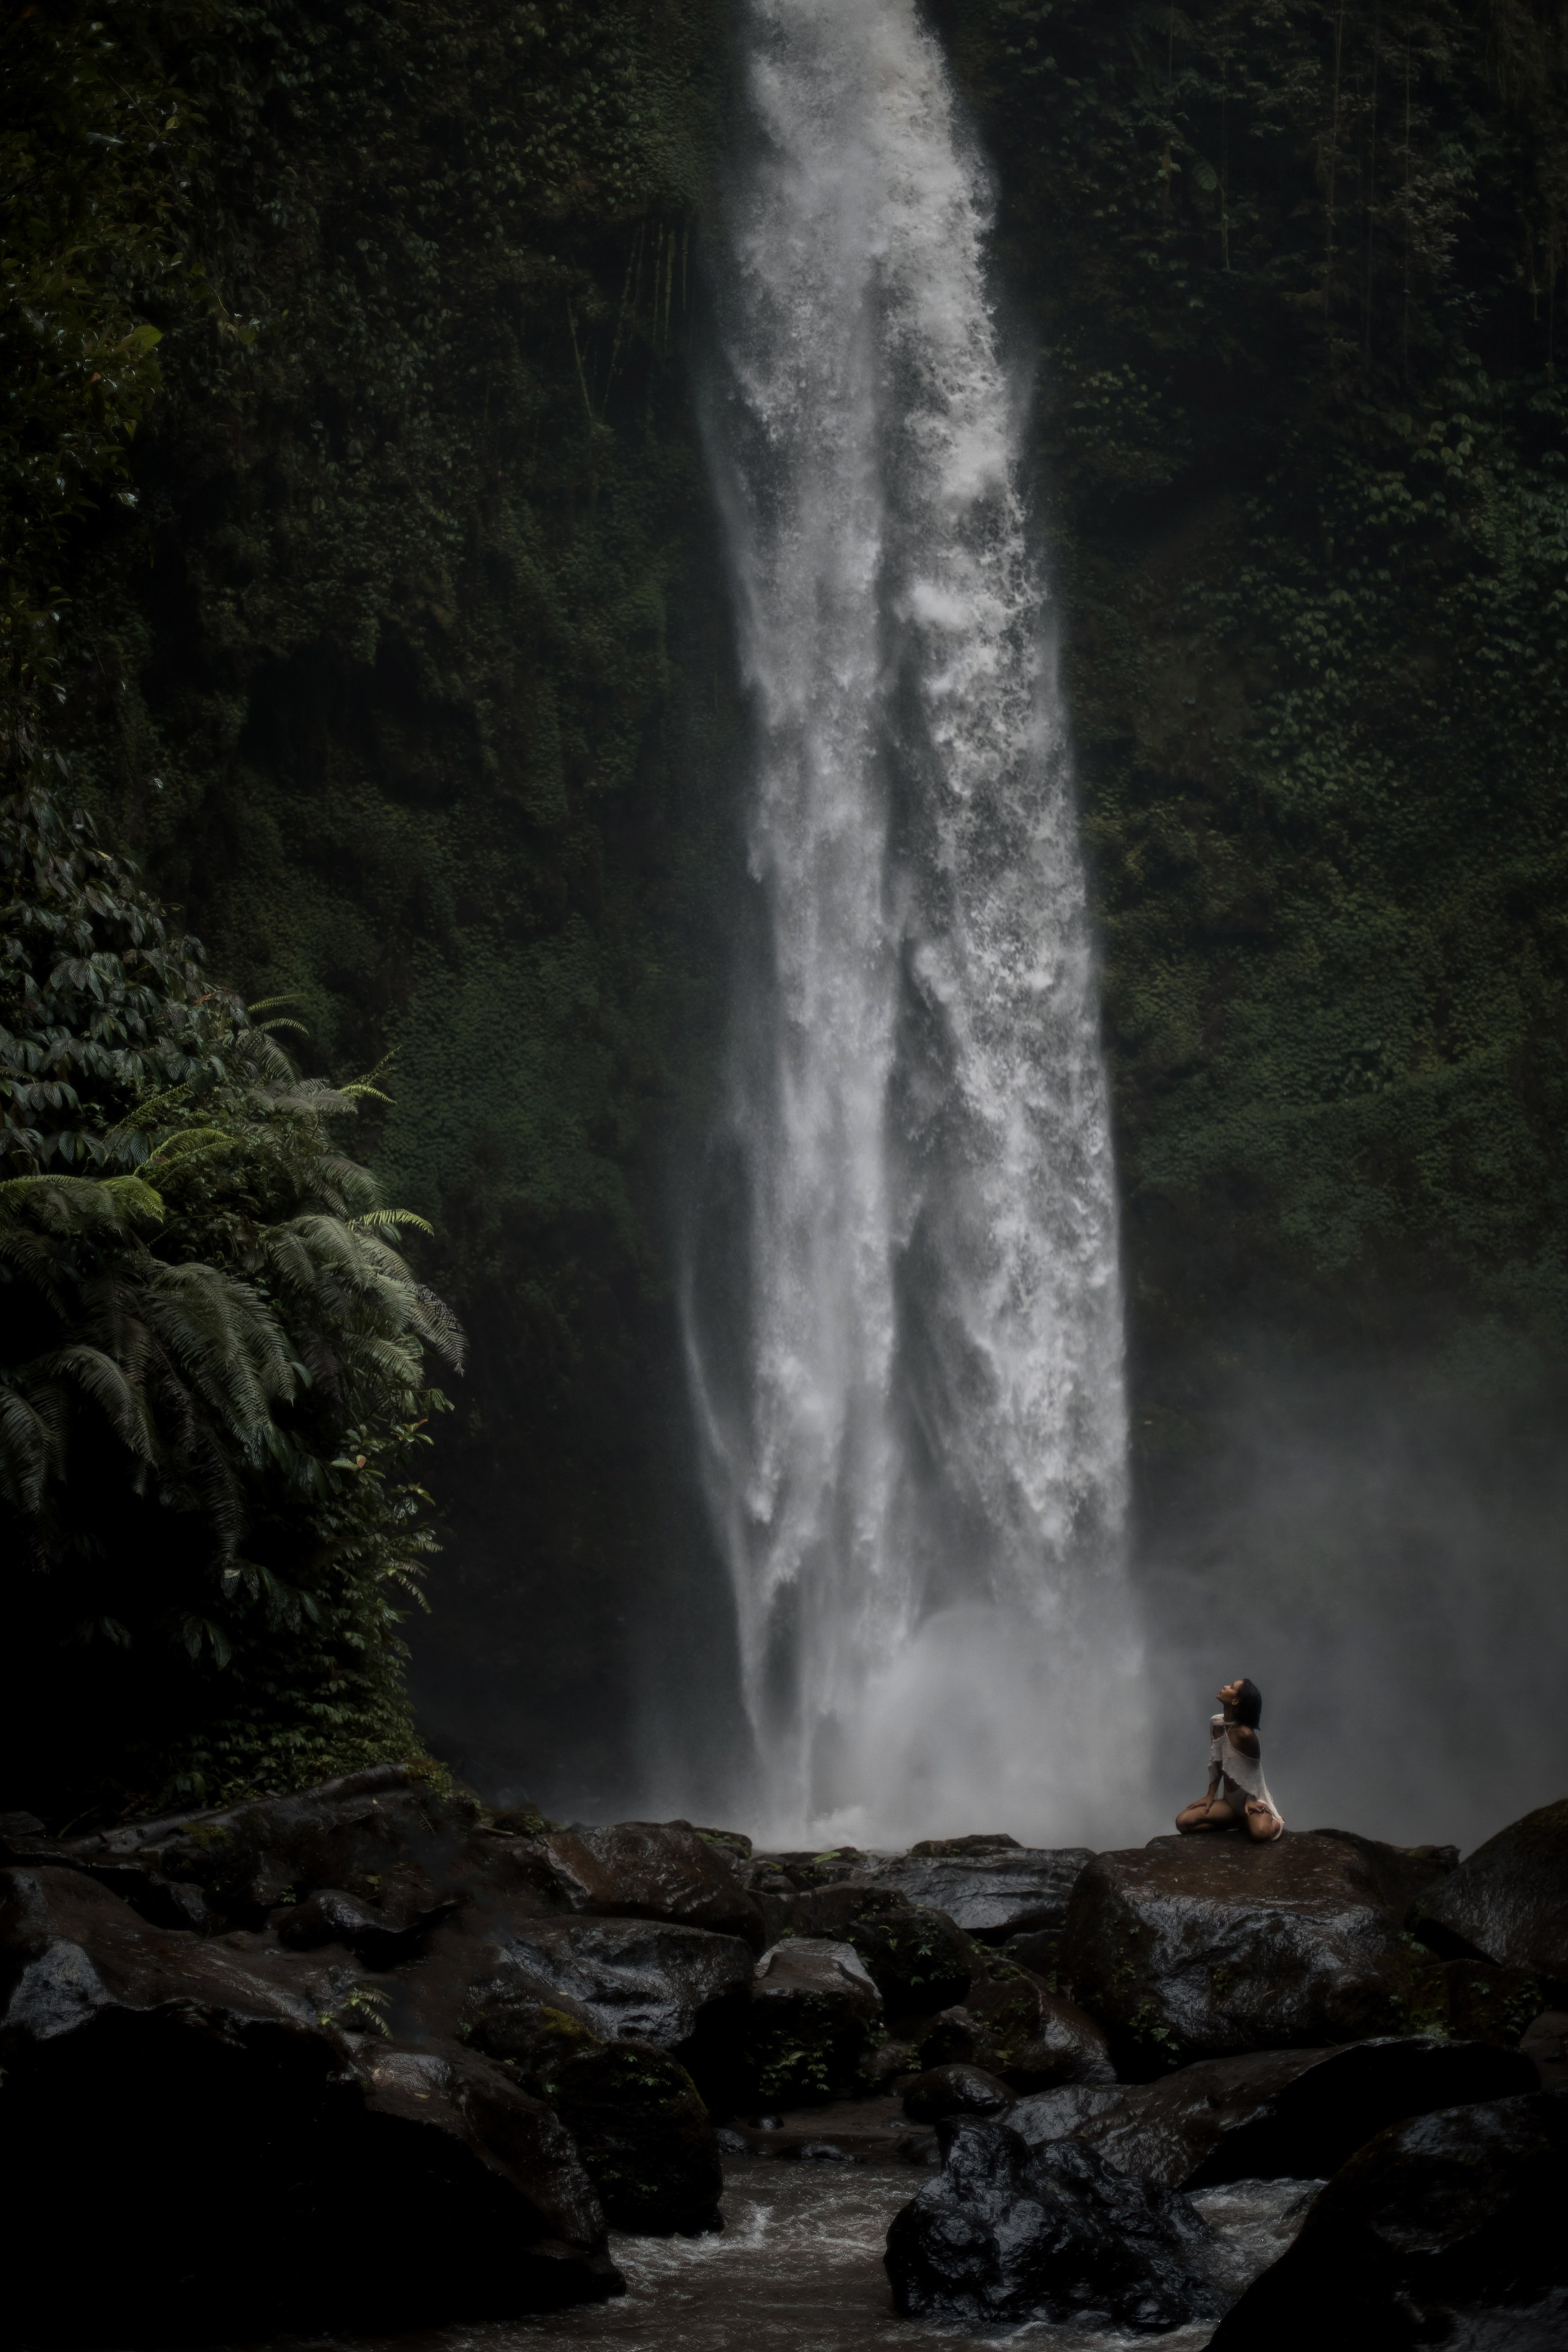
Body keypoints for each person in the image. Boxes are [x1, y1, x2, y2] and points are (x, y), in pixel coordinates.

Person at [1175, 1676, 1284, 1842]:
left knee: (1261, 1833)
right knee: (1184, 1823)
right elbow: (1216, 1761)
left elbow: (1255, 1774)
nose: (1225, 1687)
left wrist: (1250, 1801)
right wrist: (1210, 1795)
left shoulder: (1246, 1735)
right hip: (1230, 1802)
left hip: (1253, 1799)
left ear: (1235, 1702)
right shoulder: (1216, 1724)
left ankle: (1276, 1820)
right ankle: (1240, 1822)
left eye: (1231, 1687)